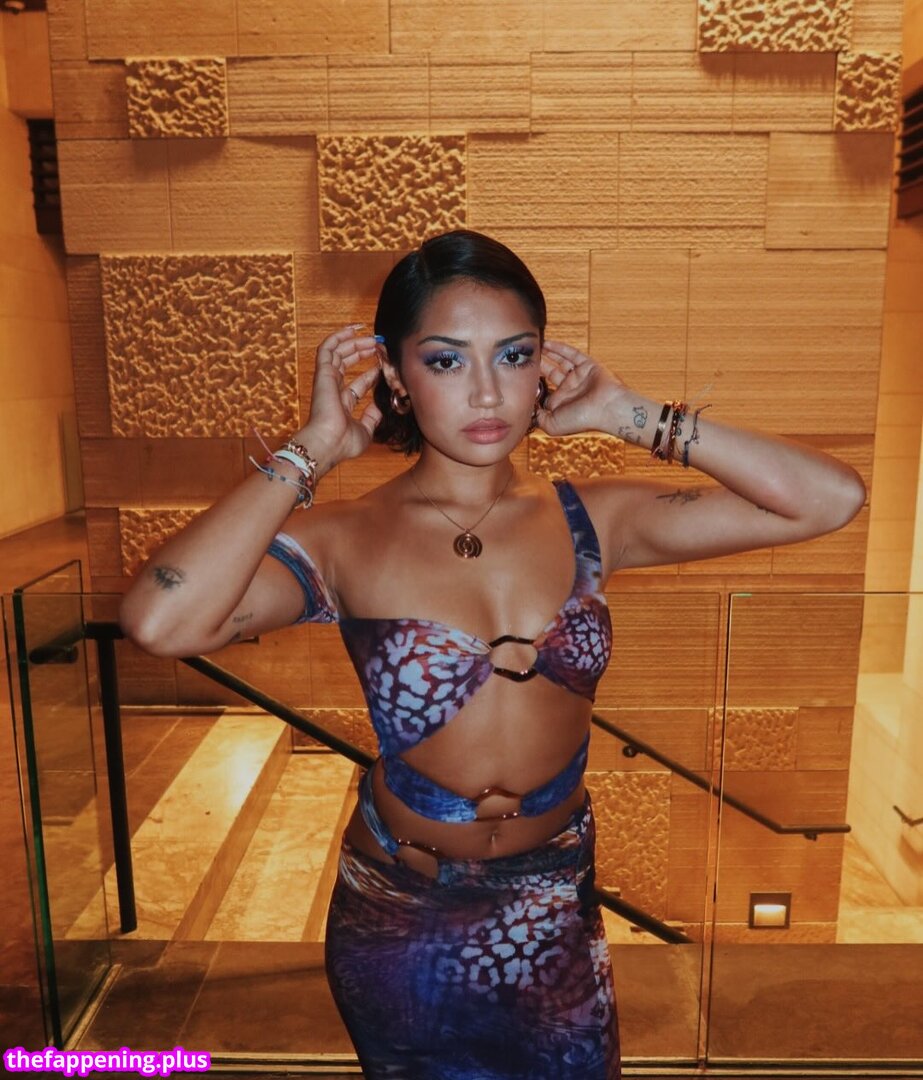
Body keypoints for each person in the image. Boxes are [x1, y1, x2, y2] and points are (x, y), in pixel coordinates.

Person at [120, 230, 866, 1079]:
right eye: (445, 361)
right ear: (395, 375)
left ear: (543, 363)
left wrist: (623, 414)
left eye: (513, 356)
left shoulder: (593, 520)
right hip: (403, 915)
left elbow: (826, 498)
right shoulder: (343, 539)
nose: (486, 391)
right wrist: (313, 449)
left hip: (552, 901)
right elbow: (163, 622)